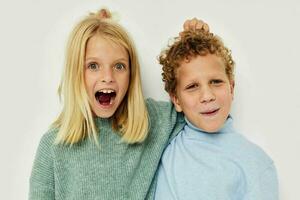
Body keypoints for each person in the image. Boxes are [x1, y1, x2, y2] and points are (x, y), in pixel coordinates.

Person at [29, 8, 208, 200]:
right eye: (93, 66)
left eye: (119, 66)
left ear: (131, 75)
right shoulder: (53, 146)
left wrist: (197, 48)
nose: (108, 77)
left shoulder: (153, 121)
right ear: (75, 72)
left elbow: (199, 108)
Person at [154, 29, 278, 199]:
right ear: (176, 100)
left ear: (231, 88)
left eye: (216, 82)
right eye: (192, 87)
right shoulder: (163, 141)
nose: (207, 96)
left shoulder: (256, 164)